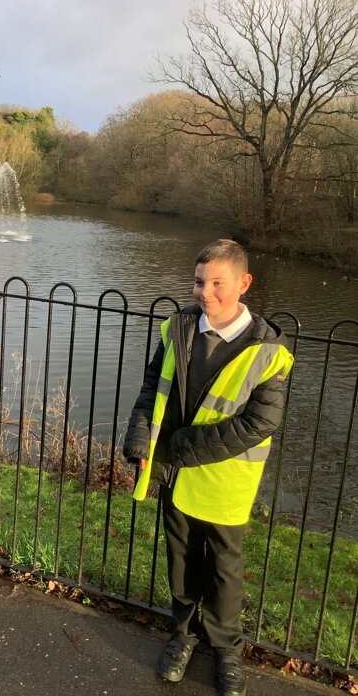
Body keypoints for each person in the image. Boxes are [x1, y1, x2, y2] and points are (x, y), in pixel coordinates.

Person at [123, 239, 293, 696]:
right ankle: (183, 636)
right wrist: (140, 439)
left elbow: (260, 422)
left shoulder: (267, 350)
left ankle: (225, 648)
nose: (206, 292)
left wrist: (181, 446)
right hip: (175, 475)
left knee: (223, 568)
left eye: (218, 282)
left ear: (244, 283)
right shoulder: (176, 329)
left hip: (225, 480)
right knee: (181, 561)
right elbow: (151, 390)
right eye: (200, 282)